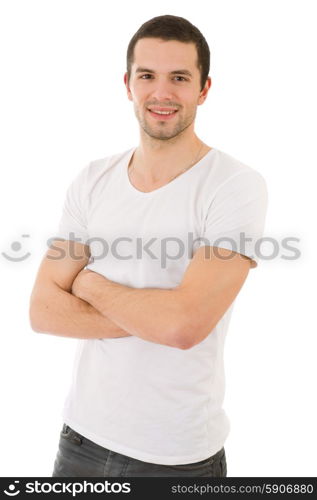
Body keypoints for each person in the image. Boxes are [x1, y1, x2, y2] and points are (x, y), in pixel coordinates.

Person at [29, 14, 268, 477]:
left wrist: (89, 283)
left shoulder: (234, 186)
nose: (162, 93)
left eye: (179, 77)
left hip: (178, 459)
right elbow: (41, 311)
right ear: (128, 85)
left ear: (203, 89)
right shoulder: (92, 179)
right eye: (147, 76)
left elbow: (183, 327)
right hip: (79, 440)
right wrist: (152, 315)